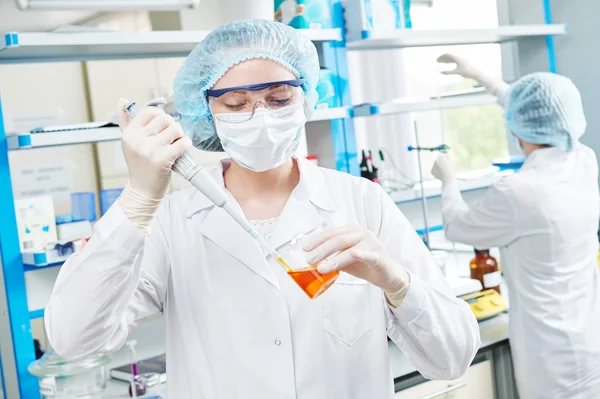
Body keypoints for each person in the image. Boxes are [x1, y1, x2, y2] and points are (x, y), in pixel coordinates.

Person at [44, 22, 479, 399]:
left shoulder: (361, 202)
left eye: (279, 98)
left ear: (306, 98)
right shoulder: (172, 221)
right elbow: (73, 338)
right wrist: (138, 200)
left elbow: (453, 356)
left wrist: (396, 282)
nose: (260, 117)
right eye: (235, 104)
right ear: (205, 109)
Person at [432, 53, 600, 399]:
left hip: (551, 359)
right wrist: (484, 77)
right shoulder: (583, 159)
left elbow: (458, 227)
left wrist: (448, 181)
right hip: (589, 336)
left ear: (514, 127)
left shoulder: (518, 191)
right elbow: (542, 112)